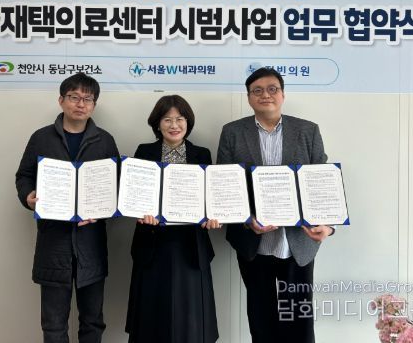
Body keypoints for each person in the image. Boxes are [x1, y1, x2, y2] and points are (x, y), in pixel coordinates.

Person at [217, 67, 334, 343]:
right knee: (261, 319)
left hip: (298, 241)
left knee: (299, 321)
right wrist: (247, 219)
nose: (265, 95)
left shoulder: (307, 130)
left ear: (282, 94)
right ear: (249, 97)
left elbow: (321, 182)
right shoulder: (232, 132)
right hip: (254, 241)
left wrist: (327, 226)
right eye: (257, 90)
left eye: (272, 89)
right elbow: (225, 184)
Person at [15, 73, 119, 343]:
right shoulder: (41, 138)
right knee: (53, 325)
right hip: (54, 242)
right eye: (74, 97)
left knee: (92, 322)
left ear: (94, 105)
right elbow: (24, 175)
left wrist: (102, 209)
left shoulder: (105, 141)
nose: (80, 104)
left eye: (87, 99)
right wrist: (28, 196)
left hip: (91, 244)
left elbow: (116, 186)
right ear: (61, 100)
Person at [125, 95, 219, 343]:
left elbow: (211, 198)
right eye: (167, 119)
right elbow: (135, 194)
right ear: (157, 124)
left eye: (180, 119)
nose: (174, 125)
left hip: (191, 246)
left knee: (191, 323)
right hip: (152, 244)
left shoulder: (201, 154)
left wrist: (213, 217)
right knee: (151, 321)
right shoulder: (144, 152)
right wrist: (140, 212)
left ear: (188, 122)